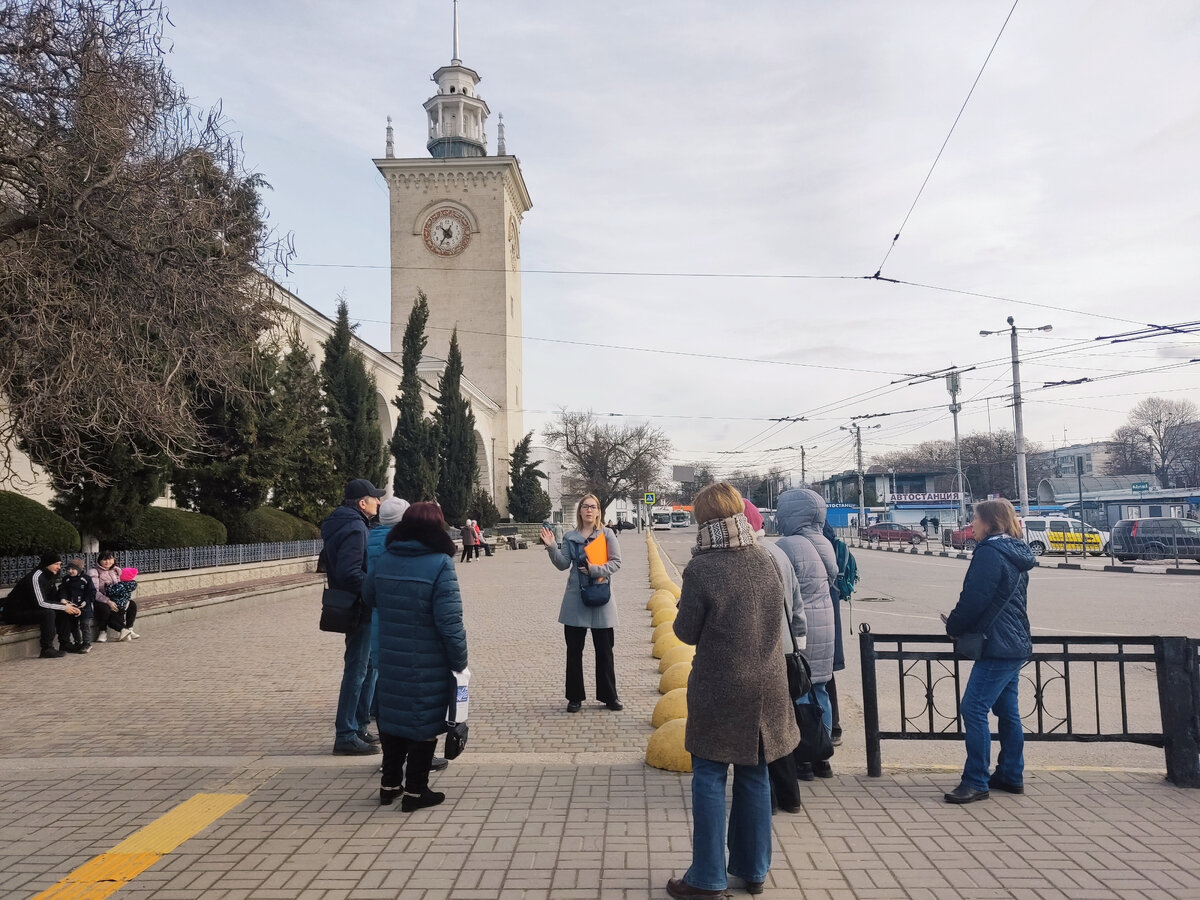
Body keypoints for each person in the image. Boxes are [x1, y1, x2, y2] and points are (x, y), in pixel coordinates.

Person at [667, 484, 800, 899]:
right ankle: (753, 868)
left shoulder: (702, 568)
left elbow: (686, 632)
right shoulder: (765, 558)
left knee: (709, 775)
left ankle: (707, 877)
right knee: (754, 775)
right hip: (768, 685)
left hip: (720, 687)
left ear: (705, 518)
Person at [363, 501, 468, 811]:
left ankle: (389, 785)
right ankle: (416, 791)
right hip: (427, 660)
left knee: (393, 719)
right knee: (423, 722)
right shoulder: (440, 563)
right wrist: (460, 662)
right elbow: (450, 622)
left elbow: (368, 596)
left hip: (391, 655)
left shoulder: (386, 558)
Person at [941, 498, 1035, 804]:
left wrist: (953, 625)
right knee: (1007, 711)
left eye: (976, 519)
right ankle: (1010, 774)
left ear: (991, 522)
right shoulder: (1017, 551)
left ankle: (976, 780)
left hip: (997, 644)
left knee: (973, 708)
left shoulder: (989, 553)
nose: (972, 524)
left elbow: (974, 598)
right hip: (1015, 641)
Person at [743, 500, 807, 815]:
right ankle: (790, 796)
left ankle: (765, 799)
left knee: (759, 728)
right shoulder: (779, 553)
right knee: (780, 725)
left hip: (760, 654)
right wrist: (799, 645)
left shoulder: (749, 558)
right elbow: (797, 605)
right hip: (785, 652)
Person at [775, 488, 839, 779]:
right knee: (820, 690)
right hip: (826, 625)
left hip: (801, 629)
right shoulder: (823, 542)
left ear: (791, 513)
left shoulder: (788, 545)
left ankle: (803, 757)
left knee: (798, 691)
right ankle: (823, 758)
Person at [321, 477, 386, 756]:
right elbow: (350, 572)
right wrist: (374, 589)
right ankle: (346, 734)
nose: (379, 502)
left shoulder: (343, 523)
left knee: (367, 668)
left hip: (355, 606)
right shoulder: (356, 527)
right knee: (358, 670)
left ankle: (359, 726)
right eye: (375, 498)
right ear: (362, 503)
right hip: (360, 607)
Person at [540, 494, 623, 713]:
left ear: (598, 512)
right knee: (574, 652)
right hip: (575, 600)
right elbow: (562, 564)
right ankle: (574, 697)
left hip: (601, 598)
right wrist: (551, 546)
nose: (589, 510)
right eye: (585, 506)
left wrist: (594, 570)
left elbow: (616, 562)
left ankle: (609, 696)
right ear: (580, 511)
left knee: (605, 651)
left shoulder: (607, 534)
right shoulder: (570, 536)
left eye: (593, 507)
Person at [1, 552, 80, 657]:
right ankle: (46, 649)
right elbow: (40, 602)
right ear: (47, 563)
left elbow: (53, 598)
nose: (59, 567)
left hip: (32, 609)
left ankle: (65, 644)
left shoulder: (50, 575)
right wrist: (63, 607)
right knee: (49, 613)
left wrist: (66, 603)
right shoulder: (36, 577)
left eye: (60, 564)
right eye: (56, 564)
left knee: (62, 609)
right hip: (16, 613)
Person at [823, 522, 858, 747]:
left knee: (810, 679)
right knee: (826, 676)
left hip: (812, 625)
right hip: (829, 620)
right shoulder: (830, 543)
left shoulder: (807, 545)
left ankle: (818, 738)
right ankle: (833, 728)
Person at [58, 558, 96, 653]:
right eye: (69, 569)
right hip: (72, 606)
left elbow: (91, 592)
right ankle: (77, 642)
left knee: (84, 625)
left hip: (84, 607)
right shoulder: (66, 579)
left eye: (73, 569)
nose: (70, 571)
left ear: (79, 569)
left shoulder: (86, 579)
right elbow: (63, 590)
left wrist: (86, 601)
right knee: (73, 626)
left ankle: (87, 643)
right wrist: (63, 598)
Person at [88, 552, 121, 642]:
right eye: (105, 559)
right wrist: (107, 601)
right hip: (98, 599)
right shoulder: (94, 572)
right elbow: (94, 591)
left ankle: (128, 629)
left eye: (110, 559)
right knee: (105, 609)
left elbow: (119, 586)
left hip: (113, 597)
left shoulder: (116, 571)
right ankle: (103, 631)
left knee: (131, 605)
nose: (108, 562)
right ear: (100, 561)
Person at [104, 568, 140, 640]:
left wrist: (107, 586)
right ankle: (128, 632)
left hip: (118, 605)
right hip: (125, 604)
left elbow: (110, 592)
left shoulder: (120, 586)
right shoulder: (131, 584)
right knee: (121, 618)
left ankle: (125, 630)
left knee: (111, 621)